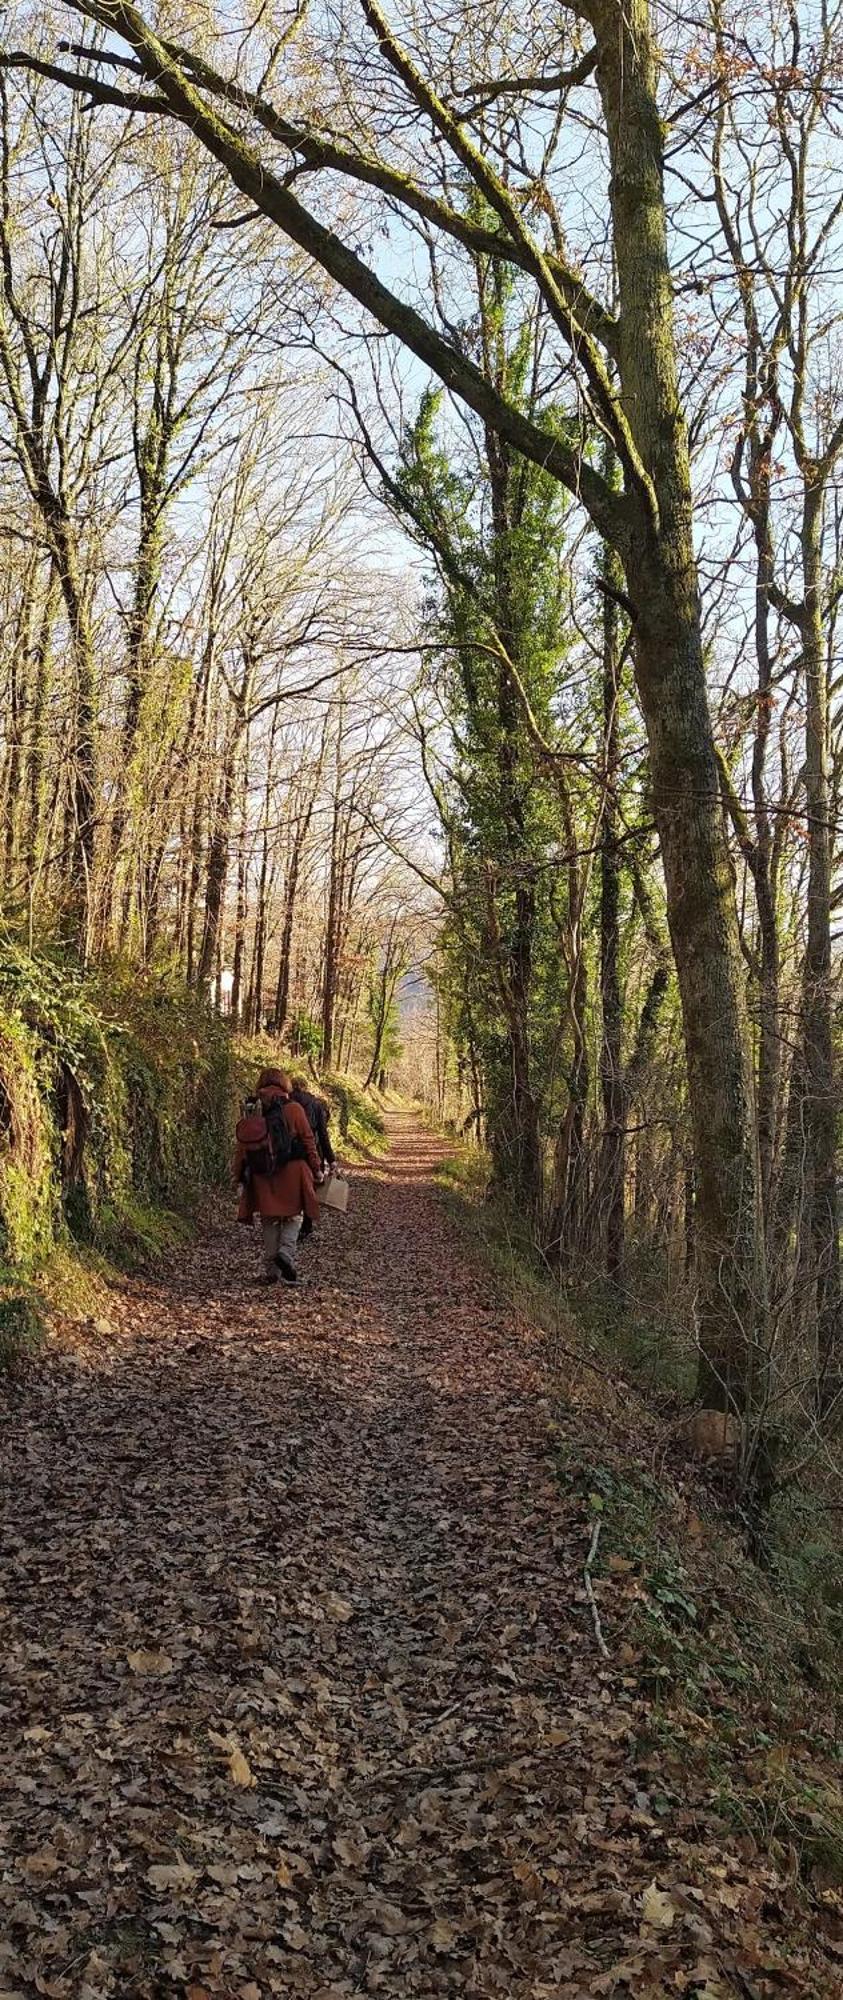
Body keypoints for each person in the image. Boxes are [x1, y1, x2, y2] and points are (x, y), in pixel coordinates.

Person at [233, 1067, 322, 1286]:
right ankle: (285, 1255)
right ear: (285, 1084)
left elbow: (243, 1147)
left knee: (269, 1220)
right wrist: (317, 1168)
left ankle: (271, 1271)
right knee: (293, 1218)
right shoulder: (294, 1109)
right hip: (294, 1171)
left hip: (264, 1174)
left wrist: (237, 1176)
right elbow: (309, 1140)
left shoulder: (254, 1110)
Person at [290, 1072, 336, 1170]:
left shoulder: (284, 1103)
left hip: (289, 1155)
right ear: (305, 1087)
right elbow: (323, 1134)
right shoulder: (316, 1105)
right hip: (312, 1152)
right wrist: (331, 1159)